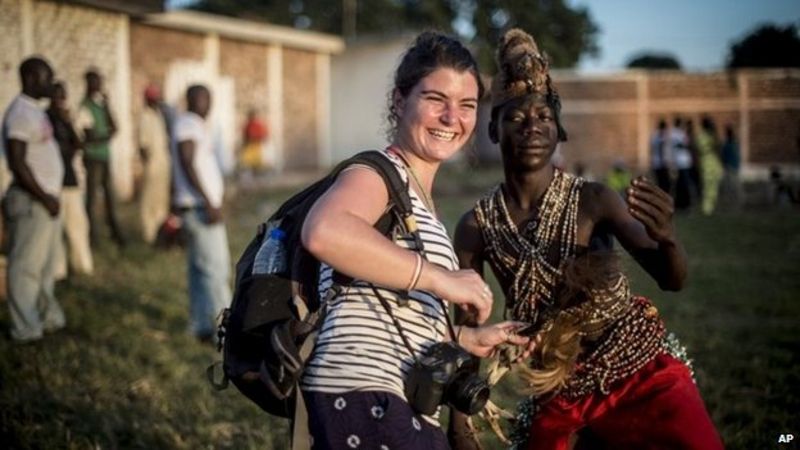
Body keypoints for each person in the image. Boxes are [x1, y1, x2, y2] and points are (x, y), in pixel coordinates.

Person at [451, 29, 723, 450]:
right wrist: (460, 423)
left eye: (544, 117)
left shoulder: (593, 200)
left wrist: (669, 239)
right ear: (492, 130)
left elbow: (672, 280)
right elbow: (467, 331)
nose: (532, 127)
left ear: (559, 130)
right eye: (517, 118)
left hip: (640, 371)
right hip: (559, 390)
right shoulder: (476, 227)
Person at [299, 31, 530, 450]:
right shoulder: (376, 173)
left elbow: (381, 308)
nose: (451, 118)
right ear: (399, 100)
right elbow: (324, 231)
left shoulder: (418, 202)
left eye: (466, 105)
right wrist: (442, 279)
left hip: (387, 401)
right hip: (363, 395)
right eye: (435, 99)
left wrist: (466, 340)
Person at [2, 57, 65, 342]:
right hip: (31, 201)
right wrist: (43, 196)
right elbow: (17, 163)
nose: (50, 84)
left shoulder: (36, 111)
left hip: (46, 201)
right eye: (45, 78)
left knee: (44, 266)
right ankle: (25, 329)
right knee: (25, 267)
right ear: (30, 78)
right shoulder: (19, 113)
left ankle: (45, 318)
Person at [172, 84, 231, 342]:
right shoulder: (188, 123)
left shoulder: (193, 124)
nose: (206, 104)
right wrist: (208, 201)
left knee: (200, 271)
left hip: (196, 206)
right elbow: (186, 161)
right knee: (215, 270)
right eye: (201, 98)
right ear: (190, 101)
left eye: (209, 98)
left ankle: (201, 326)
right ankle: (228, 334)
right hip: (200, 208)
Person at [47, 81, 93, 275]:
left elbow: (78, 144)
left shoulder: (66, 119)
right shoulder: (45, 118)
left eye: (63, 96)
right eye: (58, 96)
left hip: (70, 179)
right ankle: (58, 270)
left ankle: (82, 266)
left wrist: (68, 122)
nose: (61, 100)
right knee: (54, 231)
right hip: (52, 183)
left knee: (78, 225)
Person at [77, 69, 125, 247]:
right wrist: (105, 134)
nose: (99, 85)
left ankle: (115, 234)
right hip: (92, 158)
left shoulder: (100, 106)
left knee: (110, 198)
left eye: (100, 81)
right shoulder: (84, 107)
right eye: (96, 81)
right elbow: (89, 136)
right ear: (89, 83)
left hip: (104, 156)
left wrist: (107, 106)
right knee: (91, 199)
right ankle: (92, 238)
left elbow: (115, 127)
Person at [138, 83, 171, 244]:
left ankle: (160, 235)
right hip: (152, 165)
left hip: (163, 164)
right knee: (149, 203)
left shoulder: (158, 114)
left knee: (161, 201)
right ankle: (149, 236)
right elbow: (143, 146)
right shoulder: (145, 116)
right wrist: (148, 165)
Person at [696, 116, 723, 215]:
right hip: (710, 161)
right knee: (709, 186)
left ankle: (710, 207)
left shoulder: (702, 136)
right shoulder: (709, 135)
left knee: (711, 185)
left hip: (708, 162)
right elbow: (718, 146)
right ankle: (707, 208)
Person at [238, 108, 269, 185]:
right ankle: (250, 180)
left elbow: (262, 135)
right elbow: (244, 135)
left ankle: (258, 179)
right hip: (249, 145)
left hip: (256, 145)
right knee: (247, 163)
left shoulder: (258, 125)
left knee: (257, 164)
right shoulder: (247, 125)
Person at [671, 117, 693, 211]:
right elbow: (685, 144)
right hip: (682, 163)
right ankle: (684, 204)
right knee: (683, 185)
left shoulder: (676, 133)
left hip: (680, 162)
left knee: (680, 184)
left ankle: (680, 204)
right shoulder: (677, 133)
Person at [720, 124, 742, 207]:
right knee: (735, 185)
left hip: (729, 167)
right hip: (735, 166)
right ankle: (737, 201)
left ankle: (732, 202)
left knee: (729, 186)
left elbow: (723, 157)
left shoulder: (727, 144)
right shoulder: (735, 143)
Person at [649, 119, 670, 194]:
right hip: (661, 164)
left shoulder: (654, 136)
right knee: (663, 184)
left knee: (659, 183)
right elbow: (662, 150)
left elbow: (651, 149)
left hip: (656, 163)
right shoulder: (662, 136)